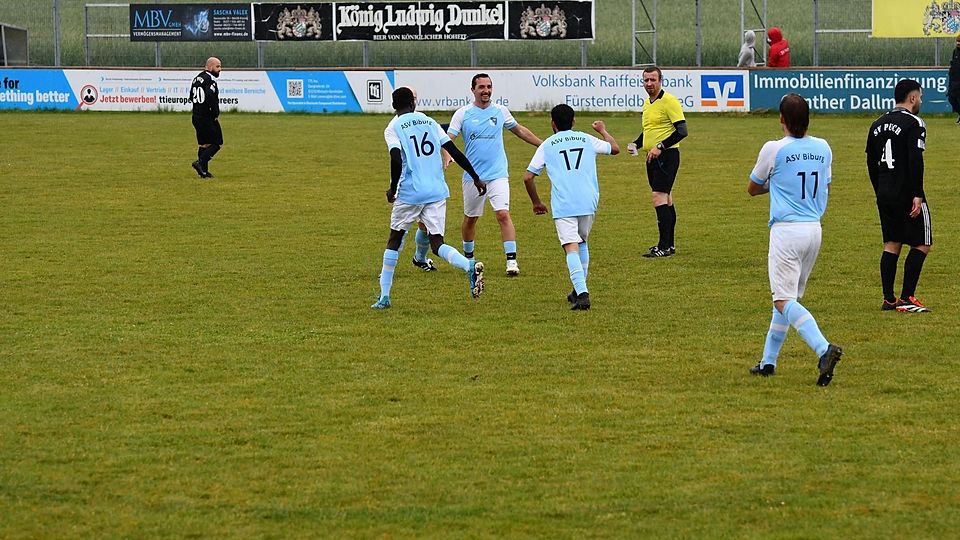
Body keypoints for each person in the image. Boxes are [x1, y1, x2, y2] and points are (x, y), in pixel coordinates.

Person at [747, 93, 842, 386]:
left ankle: (823, 348)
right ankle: (768, 362)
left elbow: (753, 187)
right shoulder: (823, 148)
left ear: (782, 120)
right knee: (787, 299)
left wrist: (774, 186)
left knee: (782, 299)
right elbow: (825, 184)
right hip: (814, 229)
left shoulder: (774, 149)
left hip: (786, 231)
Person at [372, 87, 486, 310]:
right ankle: (468, 265)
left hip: (411, 192)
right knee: (437, 243)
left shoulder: (393, 127)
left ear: (394, 107)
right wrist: (476, 177)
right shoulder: (429, 122)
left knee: (394, 240)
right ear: (413, 104)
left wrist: (393, 188)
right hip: (436, 191)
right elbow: (453, 150)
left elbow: (396, 158)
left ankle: (384, 297)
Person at [444, 73, 543, 276]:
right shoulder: (463, 114)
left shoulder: (500, 111)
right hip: (473, 177)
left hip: (498, 174)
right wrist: (446, 156)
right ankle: (469, 259)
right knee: (471, 219)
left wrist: (543, 145)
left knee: (503, 214)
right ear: (472, 90)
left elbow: (520, 131)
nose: (486, 91)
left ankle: (512, 261)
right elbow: (448, 139)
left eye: (489, 86)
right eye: (481, 87)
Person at [522, 104, 620, 310]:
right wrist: (602, 131)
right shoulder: (586, 138)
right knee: (581, 242)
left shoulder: (547, 145)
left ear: (553, 123)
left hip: (564, 203)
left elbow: (528, 177)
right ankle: (577, 290)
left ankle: (583, 295)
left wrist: (536, 202)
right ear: (574, 121)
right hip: (588, 200)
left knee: (570, 247)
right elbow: (614, 148)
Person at [866, 79, 934, 313]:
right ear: (912, 98)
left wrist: (880, 189)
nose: (921, 101)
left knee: (891, 244)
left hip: (885, 192)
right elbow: (916, 160)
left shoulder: (876, 124)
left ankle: (888, 299)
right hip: (907, 191)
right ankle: (907, 297)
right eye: (921, 97)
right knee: (923, 243)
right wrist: (917, 194)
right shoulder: (914, 123)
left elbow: (871, 162)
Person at [627, 65, 688, 258]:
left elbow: (682, 131)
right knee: (666, 199)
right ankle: (669, 245)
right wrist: (637, 144)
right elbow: (650, 130)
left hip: (667, 157)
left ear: (661, 80)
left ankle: (663, 246)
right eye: (646, 80)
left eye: (653, 79)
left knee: (659, 198)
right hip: (651, 158)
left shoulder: (669, 101)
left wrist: (660, 147)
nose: (649, 83)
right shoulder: (648, 103)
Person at [190, 57, 222, 178]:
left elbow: (191, 96)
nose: (220, 69)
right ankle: (200, 162)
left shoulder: (196, 79)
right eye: (217, 66)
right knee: (217, 143)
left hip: (196, 116)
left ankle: (203, 171)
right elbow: (210, 98)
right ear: (209, 67)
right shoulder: (210, 80)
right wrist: (215, 114)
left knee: (204, 144)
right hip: (207, 117)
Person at [948, 34, 960, 124]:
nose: (958, 43)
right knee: (951, 98)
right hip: (954, 80)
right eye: (957, 41)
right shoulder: (955, 51)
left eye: (959, 42)